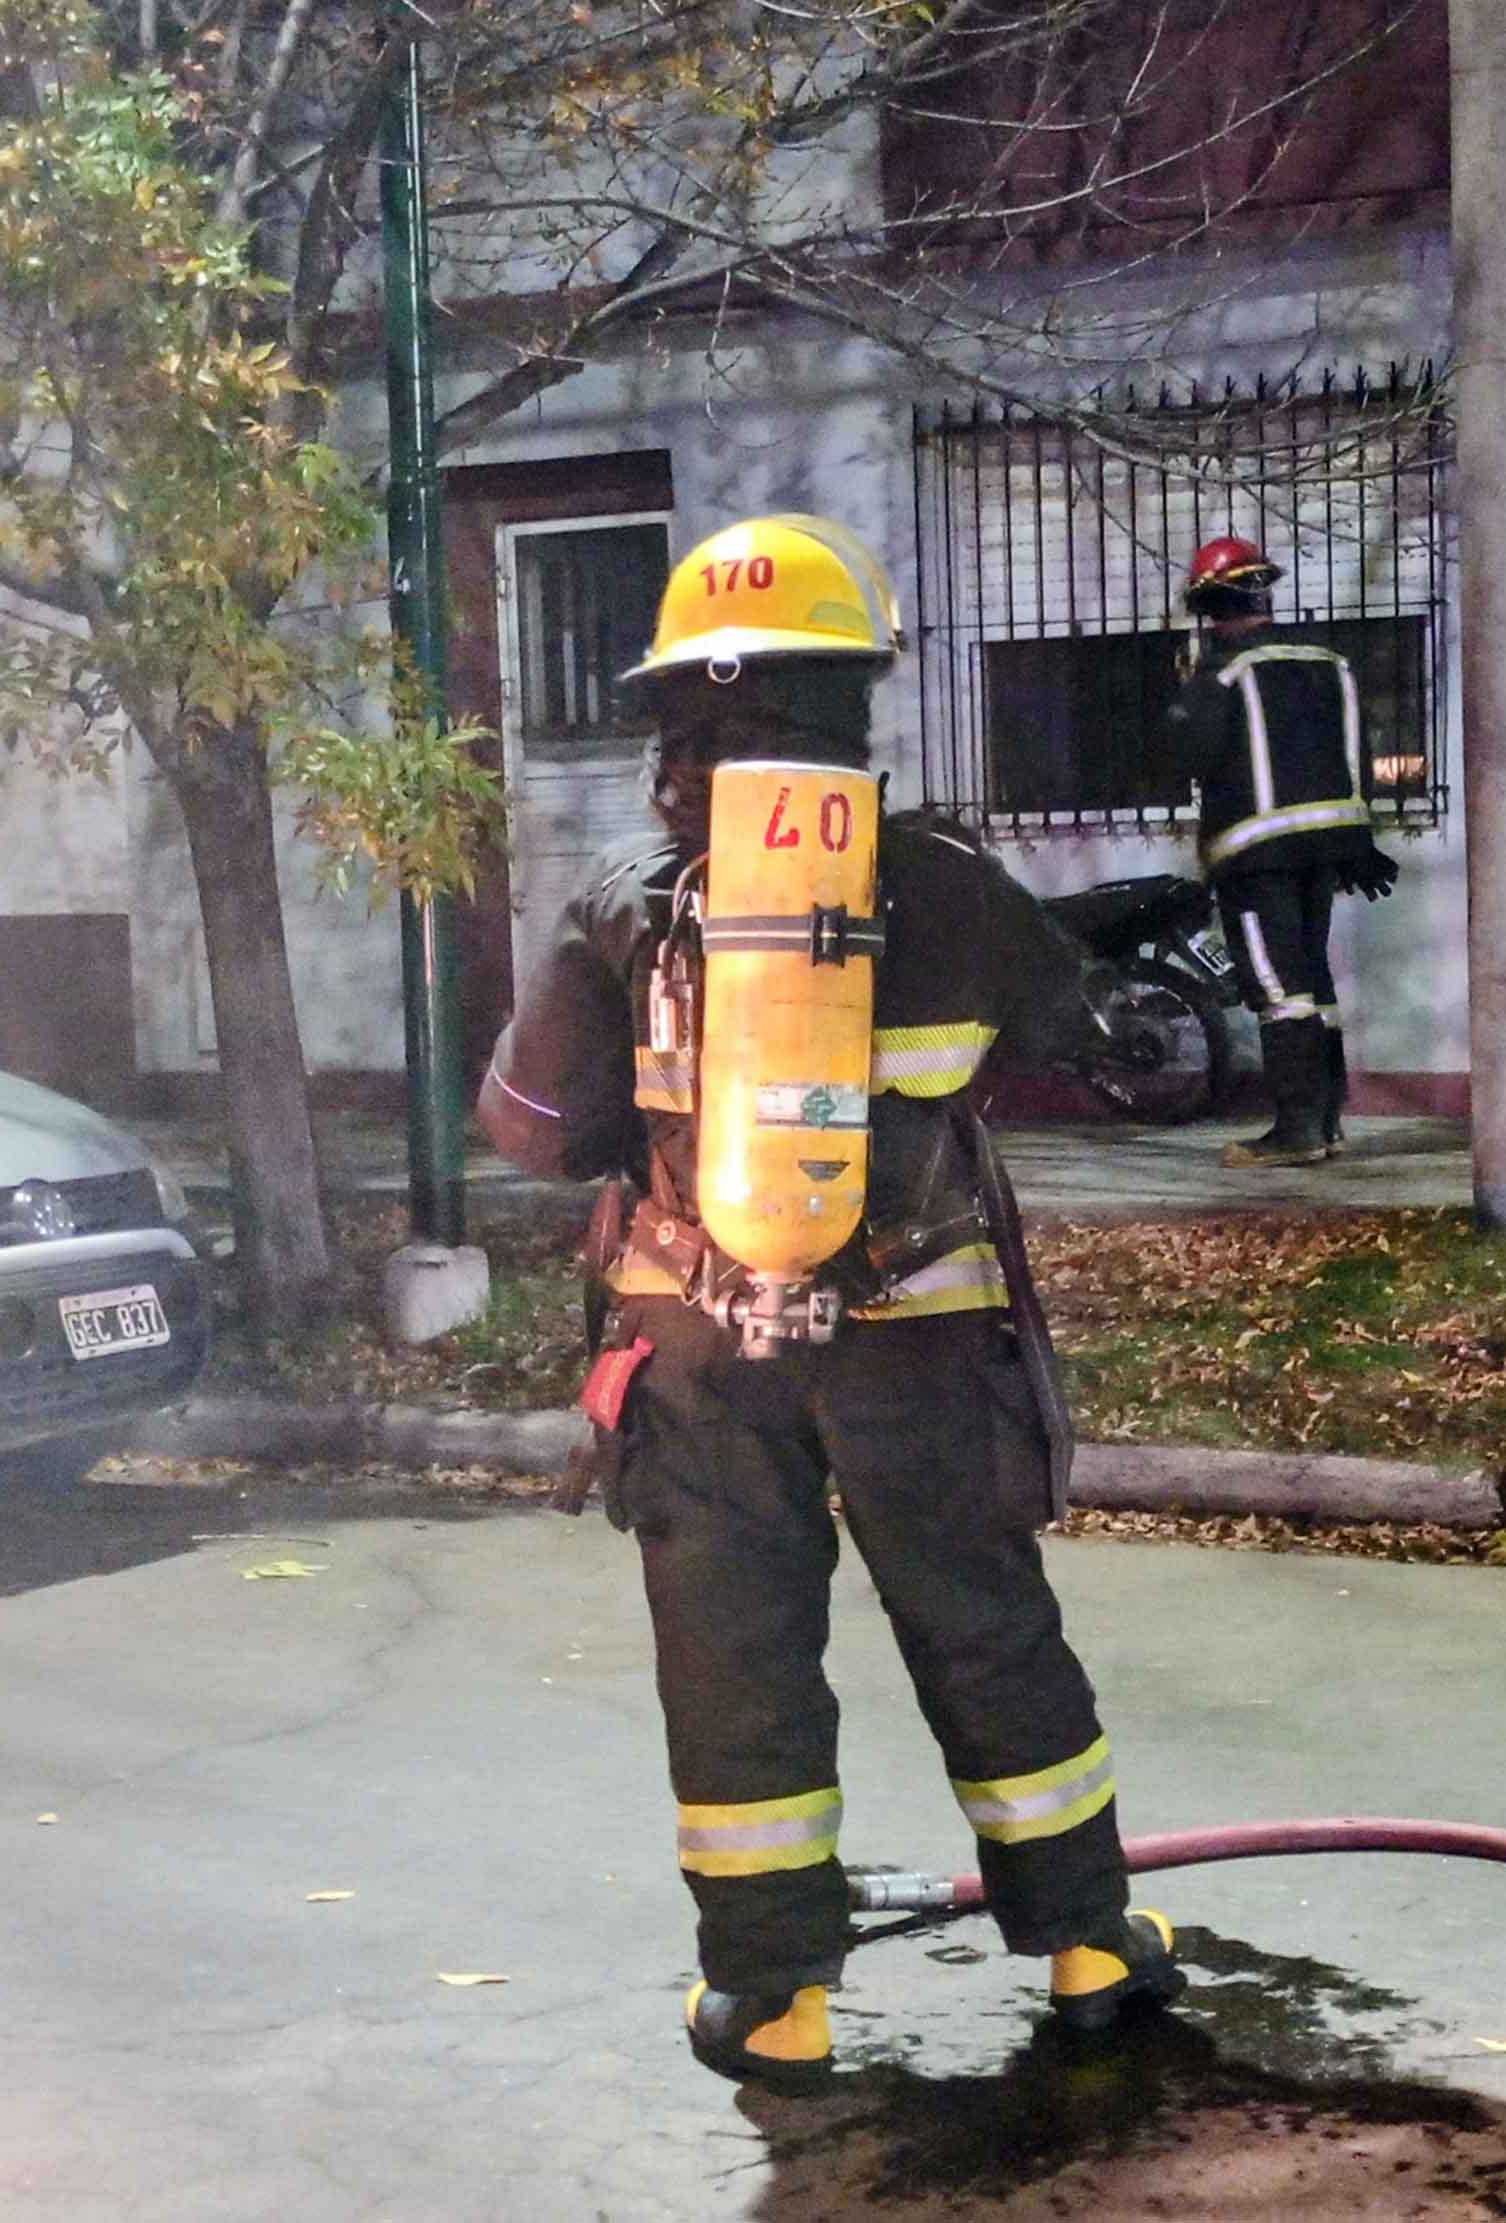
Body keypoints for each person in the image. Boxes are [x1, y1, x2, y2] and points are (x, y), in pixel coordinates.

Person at [476, 512, 1183, 2091]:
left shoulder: (620, 900)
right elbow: (1089, 1049)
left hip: (695, 1345)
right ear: (849, 696)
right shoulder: (947, 884)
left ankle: (772, 1997)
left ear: (675, 712)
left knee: (733, 1650)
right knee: (985, 1622)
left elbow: (528, 1127)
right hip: (919, 1337)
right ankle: (1083, 1944)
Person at [1166, 535, 1399, 1169]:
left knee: (1276, 985)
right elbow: (1356, 755)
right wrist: (1356, 841)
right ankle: (1325, 1121)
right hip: (1324, 852)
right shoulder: (1329, 662)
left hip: (1253, 855)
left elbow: (1190, 756)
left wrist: (1185, 695)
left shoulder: (1221, 673)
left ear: (1210, 604)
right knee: (1311, 981)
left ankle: (1296, 1129)